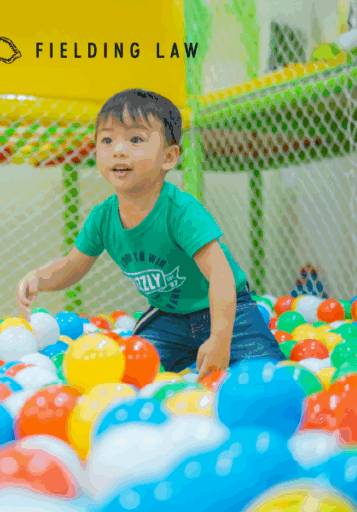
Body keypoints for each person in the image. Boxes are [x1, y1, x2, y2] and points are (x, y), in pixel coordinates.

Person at [15, 88, 283, 376]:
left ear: (168, 157)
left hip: (227, 310)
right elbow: (73, 266)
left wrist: (220, 338)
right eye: (107, 140)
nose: (118, 149)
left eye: (135, 139)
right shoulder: (102, 218)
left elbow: (220, 275)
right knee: (128, 372)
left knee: (264, 373)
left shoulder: (180, 211)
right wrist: (39, 279)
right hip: (168, 318)